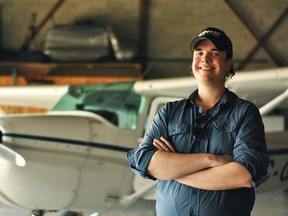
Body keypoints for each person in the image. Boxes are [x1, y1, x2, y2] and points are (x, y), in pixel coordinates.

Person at [126, 27, 269, 216]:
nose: (205, 58)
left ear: (228, 64)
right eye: (199, 52)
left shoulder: (245, 113)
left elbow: (243, 174)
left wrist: (173, 169)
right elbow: (143, 160)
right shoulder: (169, 112)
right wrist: (212, 160)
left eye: (214, 53)